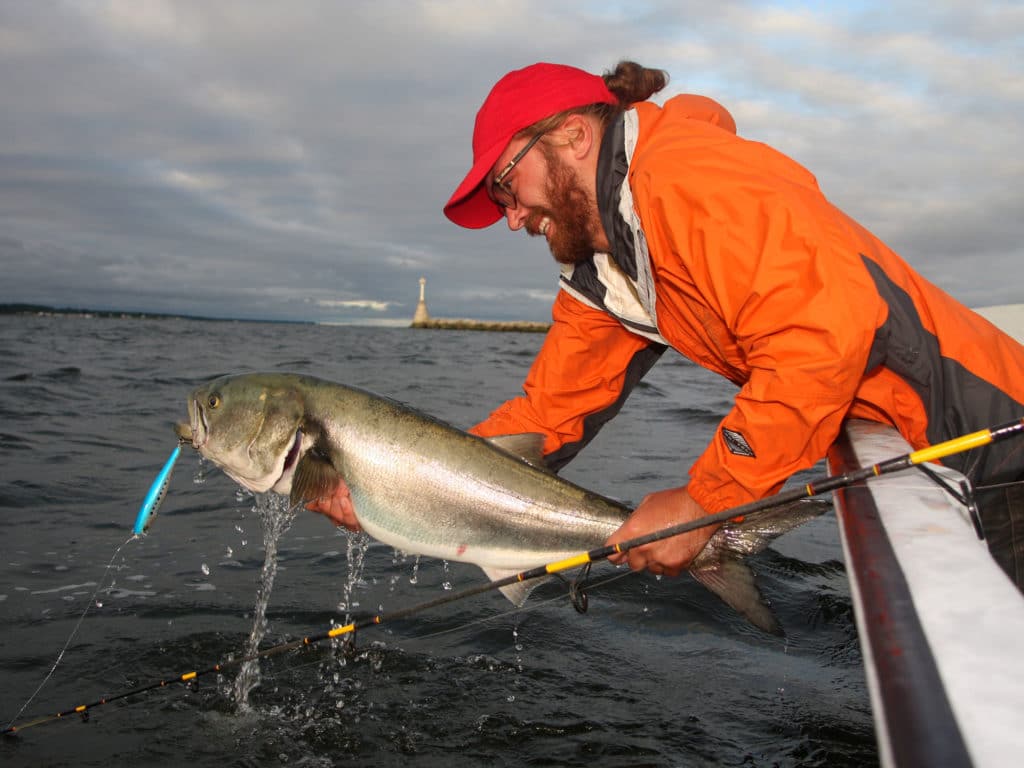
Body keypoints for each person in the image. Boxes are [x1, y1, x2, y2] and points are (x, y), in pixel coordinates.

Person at [311, 61, 1024, 589]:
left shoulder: (685, 177)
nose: (511, 215)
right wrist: (394, 489)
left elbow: (822, 333)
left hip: (995, 437)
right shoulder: (609, 261)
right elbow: (548, 414)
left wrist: (705, 501)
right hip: (924, 443)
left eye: (505, 184)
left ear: (572, 136)